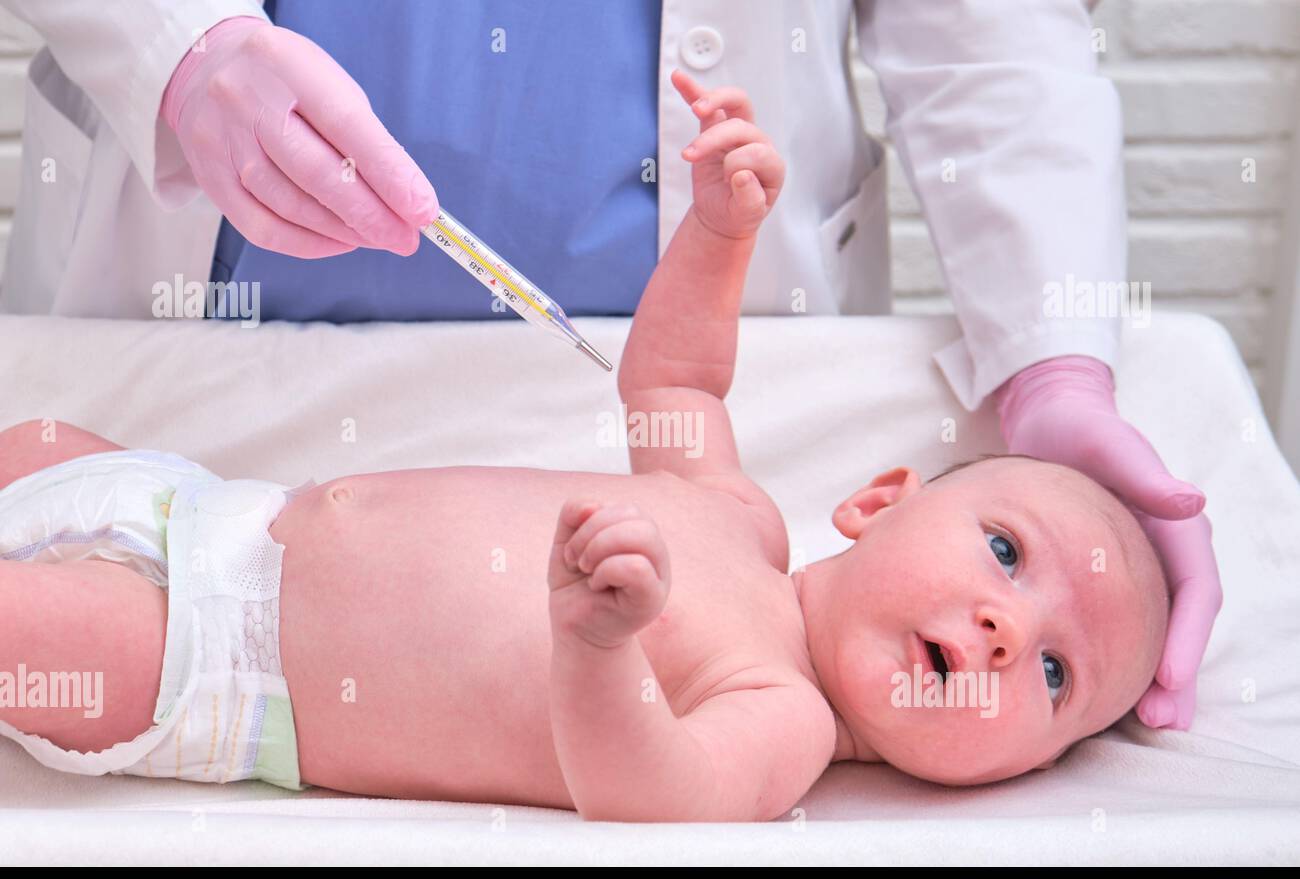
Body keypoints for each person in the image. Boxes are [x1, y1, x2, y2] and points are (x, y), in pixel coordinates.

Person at [0, 0, 1219, 728]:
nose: (1008, 630)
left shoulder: (773, 718)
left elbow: (643, 792)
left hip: (223, 661)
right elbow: (673, 387)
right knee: (41, 452)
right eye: (1003, 549)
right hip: (208, 493)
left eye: (1055, 676)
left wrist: (1053, 370)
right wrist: (719, 238)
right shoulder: (736, 519)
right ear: (875, 495)